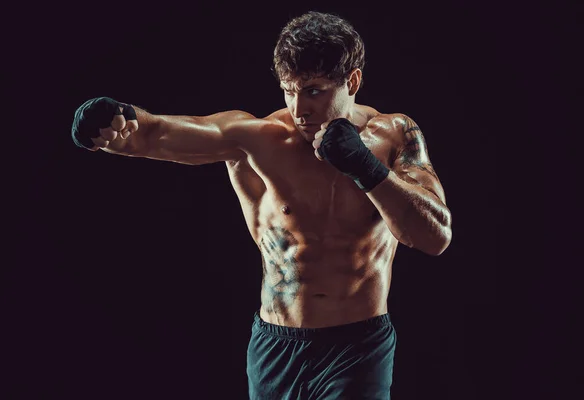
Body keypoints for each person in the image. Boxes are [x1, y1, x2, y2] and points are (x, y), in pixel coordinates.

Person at [71, 11, 452, 400]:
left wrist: (365, 168)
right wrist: (119, 121)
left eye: (315, 90)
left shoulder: (393, 136)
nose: (299, 108)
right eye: (290, 90)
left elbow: (435, 235)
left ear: (352, 81)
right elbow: (158, 134)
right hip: (276, 346)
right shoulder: (259, 140)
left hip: (358, 348)